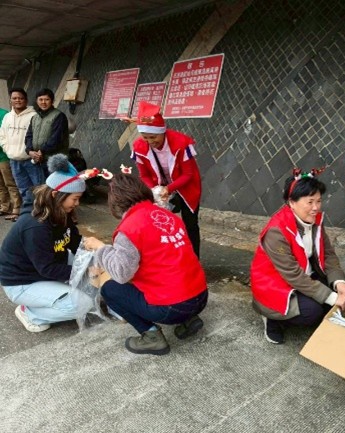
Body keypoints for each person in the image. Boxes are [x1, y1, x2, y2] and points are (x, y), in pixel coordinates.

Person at [83, 174, 208, 356]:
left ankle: (151, 335)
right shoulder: (169, 216)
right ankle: (189, 320)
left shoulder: (130, 228)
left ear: (116, 202)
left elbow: (121, 273)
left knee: (110, 289)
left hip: (171, 307)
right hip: (201, 296)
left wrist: (101, 248)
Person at [250, 169, 345, 344]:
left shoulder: (315, 220)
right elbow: (293, 275)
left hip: (303, 275)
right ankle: (272, 318)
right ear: (292, 202)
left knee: (336, 296)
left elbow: (328, 254)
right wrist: (332, 297)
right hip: (276, 285)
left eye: (319, 201)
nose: (316, 208)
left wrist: (339, 283)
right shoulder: (277, 231)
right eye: (310, 202)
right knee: (313, 312)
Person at [0, 154, 87, 332]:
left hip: (46, 266)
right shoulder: (34, 226)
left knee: (89, 268)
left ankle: (56, 294)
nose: (77, 203)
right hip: (22, 282)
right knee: (83, 303)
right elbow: (47, 268)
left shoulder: (61, 211)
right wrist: (85, 272)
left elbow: (75, 242)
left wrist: (97, 254)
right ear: (56, 195)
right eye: (75, 198)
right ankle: (30, 313)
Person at [130, 101, 202, 258]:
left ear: (162, 131)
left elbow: (188, 174)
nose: (150, 141)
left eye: (153, 136)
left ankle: (194, 258)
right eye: (145, 137)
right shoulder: (139, 147)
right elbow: (144, 175)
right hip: (160, 189)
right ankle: (170, 257)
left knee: (190, 224)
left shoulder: (181, 143)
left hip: (186, 187)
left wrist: (168, 189)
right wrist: (155, 190)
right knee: (162, 225)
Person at [0, 88, 37, 217]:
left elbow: (37, 137)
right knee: (23, 188)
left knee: (37, 187)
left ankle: (40, 212)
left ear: (26, 100)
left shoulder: (33, 116)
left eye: (20, 98)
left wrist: (32, 152)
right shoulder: (8, 117)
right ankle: (27, 213)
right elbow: (2, 136)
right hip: (13, 159)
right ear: (10, 100)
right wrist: (8, 150)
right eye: (14, 98)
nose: (17, 100)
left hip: (30, 159)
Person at [25, 88, 69, 178]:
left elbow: (56, 138)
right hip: (39, 160)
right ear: (37, 101)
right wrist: (29, 151)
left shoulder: (59, 116)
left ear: (52, 101)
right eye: (40, 99)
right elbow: (29, 136)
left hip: (55, 161)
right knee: (44, 185)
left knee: (56, 184)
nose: (43, 102)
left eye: (47, 99)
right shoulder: (35, 118)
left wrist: (42, 151)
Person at [0, 106, 22, 221]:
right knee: (0, 185)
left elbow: (7, 135)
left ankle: (16, 208)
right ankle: (4, 207)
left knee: (10, 183)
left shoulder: (4, 114)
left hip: (4, 156)